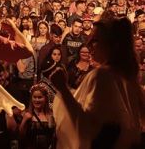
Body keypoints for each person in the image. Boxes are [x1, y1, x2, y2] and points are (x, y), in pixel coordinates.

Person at [51, 18, 145, 149]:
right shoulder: (127, 76)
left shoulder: (103, 76)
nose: (88, 44)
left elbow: (87, 128)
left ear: (111, 44)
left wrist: (62, 88)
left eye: (94, 40)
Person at [19, 84, 56, 149]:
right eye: (34, 97)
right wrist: (24, 120)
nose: (37, 100)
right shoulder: (27, 114)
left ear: (45, 98)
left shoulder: (50, 115)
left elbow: (53, 136)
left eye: (40, 97)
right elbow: (21, 136)